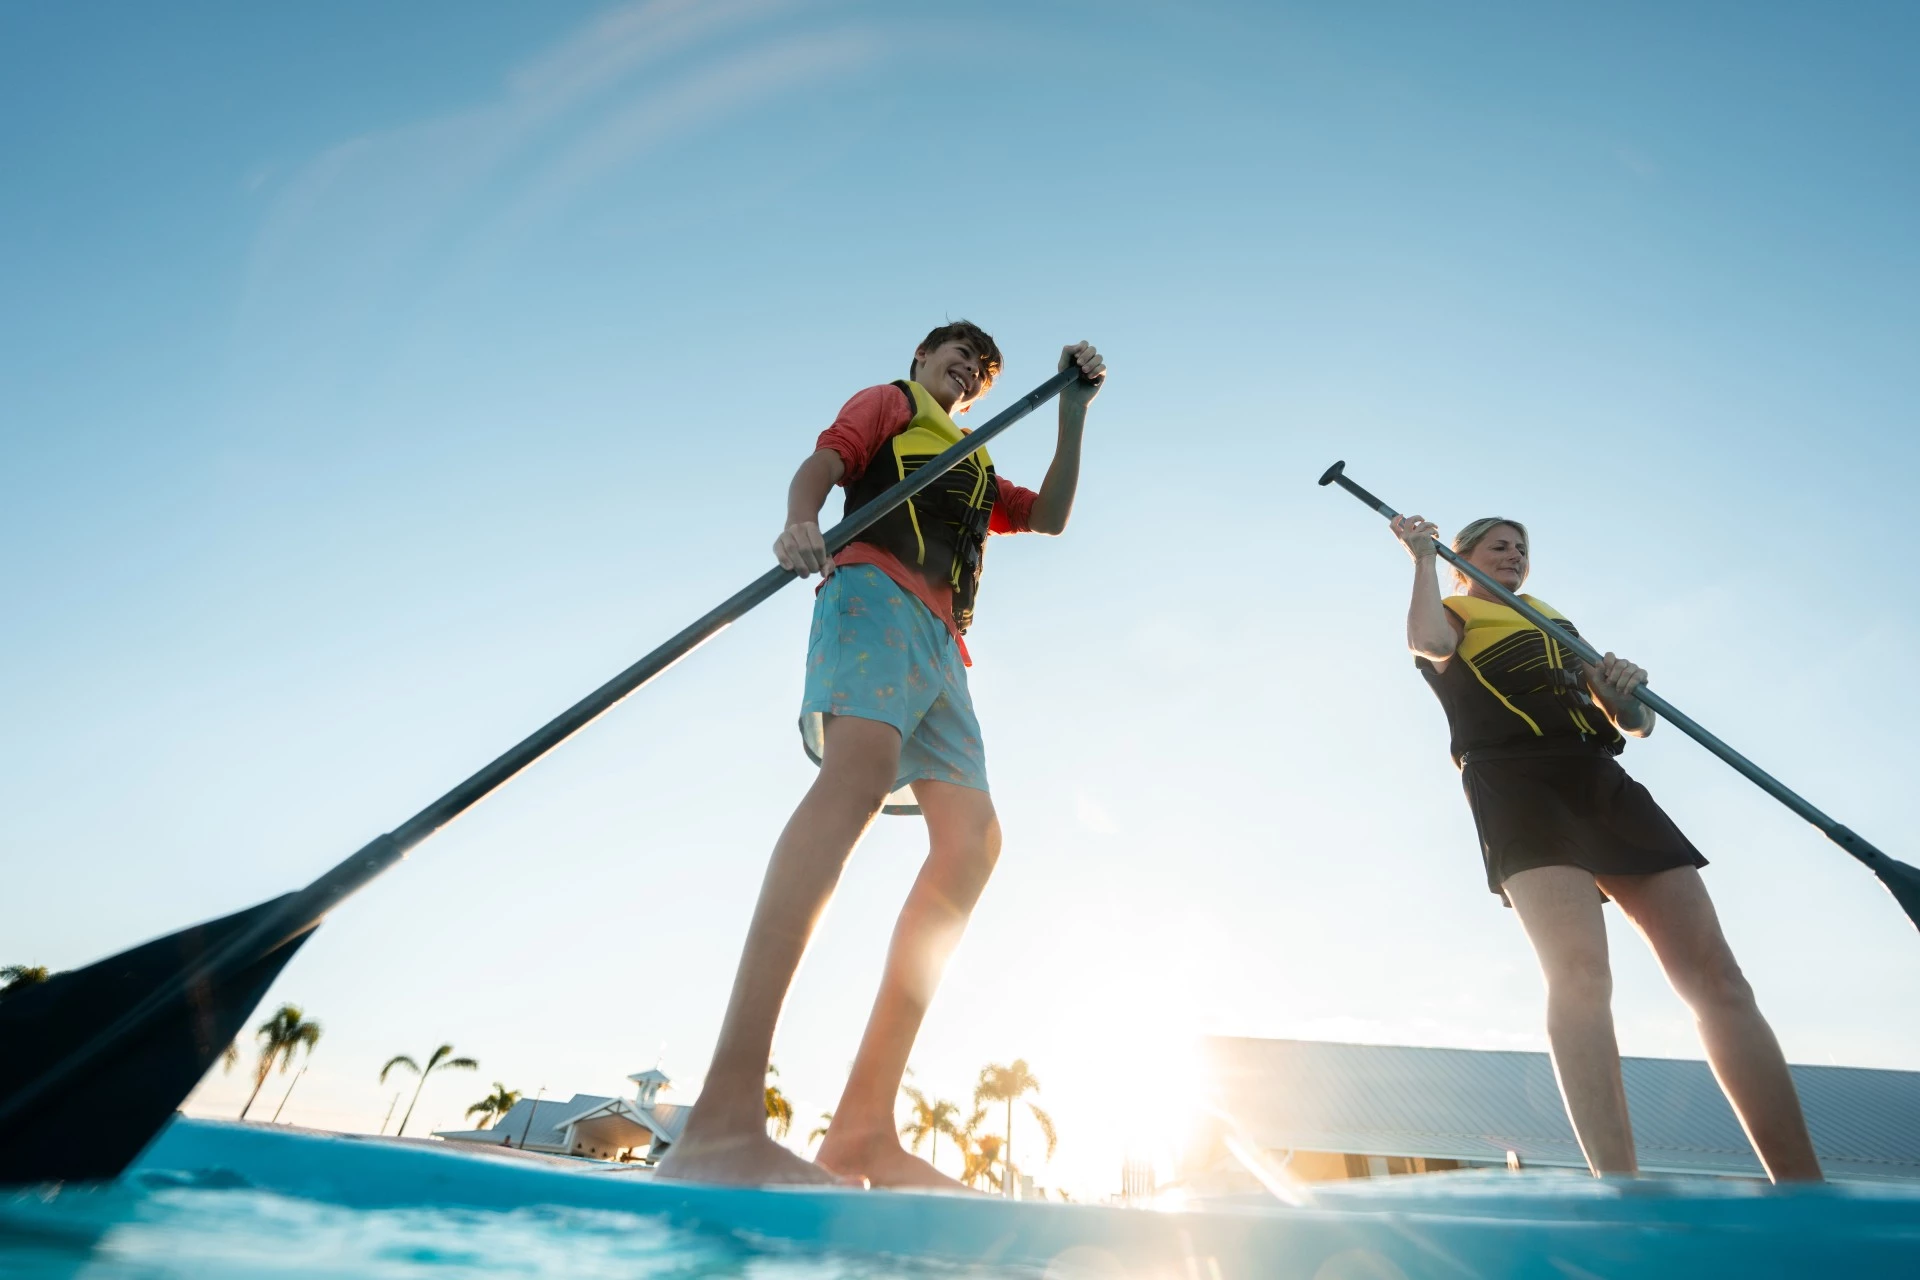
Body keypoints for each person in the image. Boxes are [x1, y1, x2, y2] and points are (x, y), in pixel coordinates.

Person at [657, 322, 1105, 1188]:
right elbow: (823, 463)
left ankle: (862, 1129)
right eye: (955, 354)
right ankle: (722, 1119)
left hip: (944, 648)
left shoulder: (970, 452)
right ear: (920, 360)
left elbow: (1047, 517)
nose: (966, 368)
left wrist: (1074, 414)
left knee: (972, 844)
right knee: (855, 783)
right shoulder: (892, 404)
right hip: (870, 596)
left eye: (978, 367)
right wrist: (799, 522)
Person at [1389, 512, 1822, 1182]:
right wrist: (1419, 558)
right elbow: (1426, 643)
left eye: (1522, 549)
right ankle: (1620, 1184)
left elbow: (1634, 722)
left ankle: (1802, 1186)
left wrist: (1624, 694)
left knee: (1719, 979)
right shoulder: (1449, 606)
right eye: (1499, 546)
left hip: (1601, 779)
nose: (1514, 555)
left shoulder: (1551, 618)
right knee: (1582, 974)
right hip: (1517, 784)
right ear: (1462, 556)